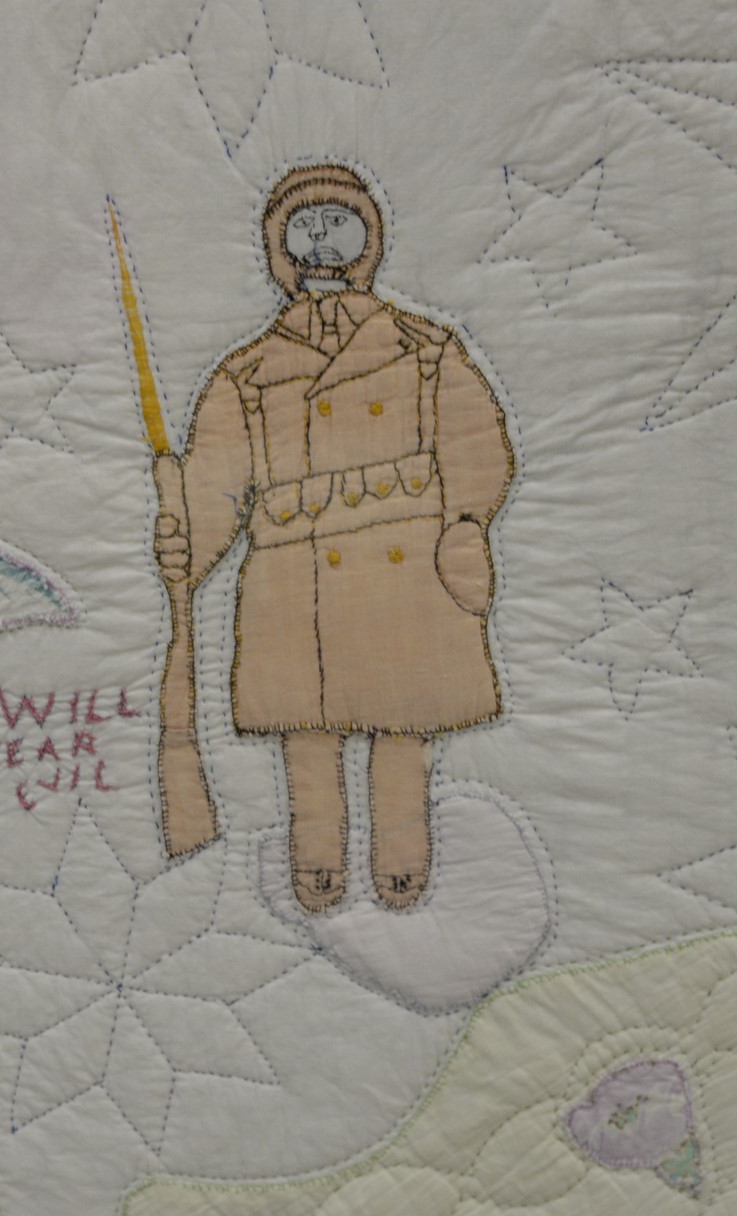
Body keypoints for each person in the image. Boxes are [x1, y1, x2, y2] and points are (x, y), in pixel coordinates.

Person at [152, 163, 515, 913]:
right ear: (280, 248)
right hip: (295, 572)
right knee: (306, 732)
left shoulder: (424, 348)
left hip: (407, 566)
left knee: (404, 721)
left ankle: (402, 858)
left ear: (367, 240)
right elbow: (218, 478)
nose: (321, 240)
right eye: (304, 227)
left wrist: (466, 524)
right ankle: (317, 858)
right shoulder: (249, 373)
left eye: (338, 224)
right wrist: (189, 539)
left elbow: (474, 440)